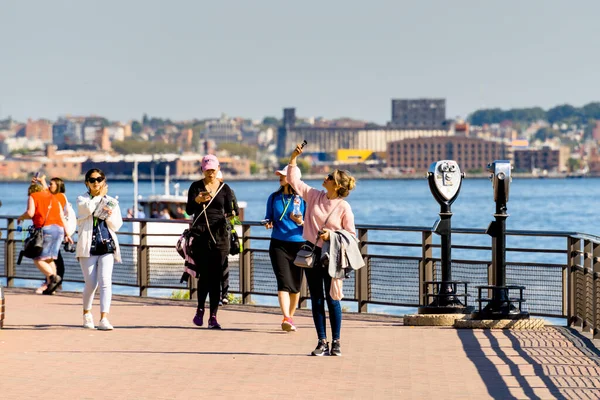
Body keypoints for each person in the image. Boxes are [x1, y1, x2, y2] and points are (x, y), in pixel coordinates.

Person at [287, 143, 357, 356]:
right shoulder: (315, 195)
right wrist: (293, 158)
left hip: (332, 255)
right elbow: (294, 181)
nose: (324, 177)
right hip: (311, 253)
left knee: (332, 298)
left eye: (328, 176)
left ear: (335, 184)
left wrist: (332, 235)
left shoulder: (344, 207)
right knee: (316, 298)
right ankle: (321, 341)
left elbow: (351, 235)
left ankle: (336, 342)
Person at [186, 155, 235, 329]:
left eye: (213, 170)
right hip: (201, 237)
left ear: (218, 169)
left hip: (220, 238)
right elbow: (188, 210)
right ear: (202, 170)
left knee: (216, 278)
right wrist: (197, 200)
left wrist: (231, 215)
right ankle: (200, 309)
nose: (211, 173)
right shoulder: (196, 187)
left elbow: (230, 210)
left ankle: (213, 316)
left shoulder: (225, 189)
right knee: (205, 276)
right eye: (207, 170)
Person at [76, 169, 123, 330]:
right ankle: (87, 314)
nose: (96, 182)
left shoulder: (111, 201)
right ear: (87, 183)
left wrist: (109, 215)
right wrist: (98, 197)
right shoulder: (82, 199)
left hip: (106, 245)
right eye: (92, 179)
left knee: (105, 282)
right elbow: (87, 210)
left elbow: (117, 225)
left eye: (99, 179)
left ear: (104, 180)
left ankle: (104, 318)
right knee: (91, 283)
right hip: (88, 246)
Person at [264, 166, 306, 331]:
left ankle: (291, 318)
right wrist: (268, 222)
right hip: (278, 244)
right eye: (280, 175)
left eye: (284, 175)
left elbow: (311, 223)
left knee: (295, 286)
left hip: (299, 244)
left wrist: (300, 222)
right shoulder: (274, 197)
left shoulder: (303, 199)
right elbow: (269, 216)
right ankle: (286, 317)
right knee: (283, 282)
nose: (280, 177)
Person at [17, 176, 74, 296]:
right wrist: (67, 234)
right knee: (50, 259)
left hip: (46, 230)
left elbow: (30, 213)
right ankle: (51, 286)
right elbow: (62, 217)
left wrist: (21, 217)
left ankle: (52, 277)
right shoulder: (52, 197)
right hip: (59, 230)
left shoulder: (34, 196)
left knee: (38, 259)